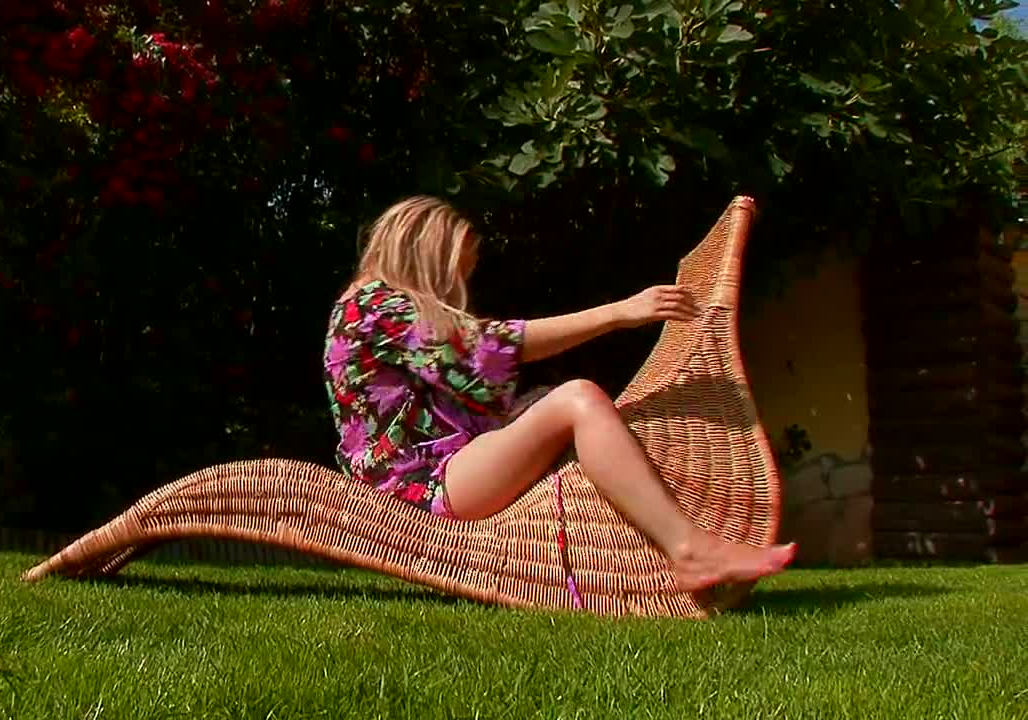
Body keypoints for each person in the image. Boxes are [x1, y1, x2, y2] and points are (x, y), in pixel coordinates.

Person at [322, 195, 796, 592]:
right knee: (577, 400)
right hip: (418, 488)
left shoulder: (367, 310)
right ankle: (688, 549)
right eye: (453, 273)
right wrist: (619, 313)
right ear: (425, 254)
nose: (456, 288)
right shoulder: (371, 306)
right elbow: (486, 348)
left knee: (554, 403)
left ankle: (666, 547)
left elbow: (455, 384)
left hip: (430, 475)